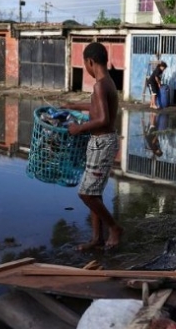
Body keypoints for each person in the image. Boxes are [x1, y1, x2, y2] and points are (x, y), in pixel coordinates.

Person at [62, 42, 123, 251]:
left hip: (102, 143)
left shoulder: (99, 85)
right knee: (94, 192)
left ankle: (114, 228)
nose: (86, 68)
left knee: (86, 194)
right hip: (101, 143)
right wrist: (73, 106)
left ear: (90, 62)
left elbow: (104, 118)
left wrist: (79, 128)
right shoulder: (107, 82)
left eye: (85, 65)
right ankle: (96, 238)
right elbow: (97, 106)